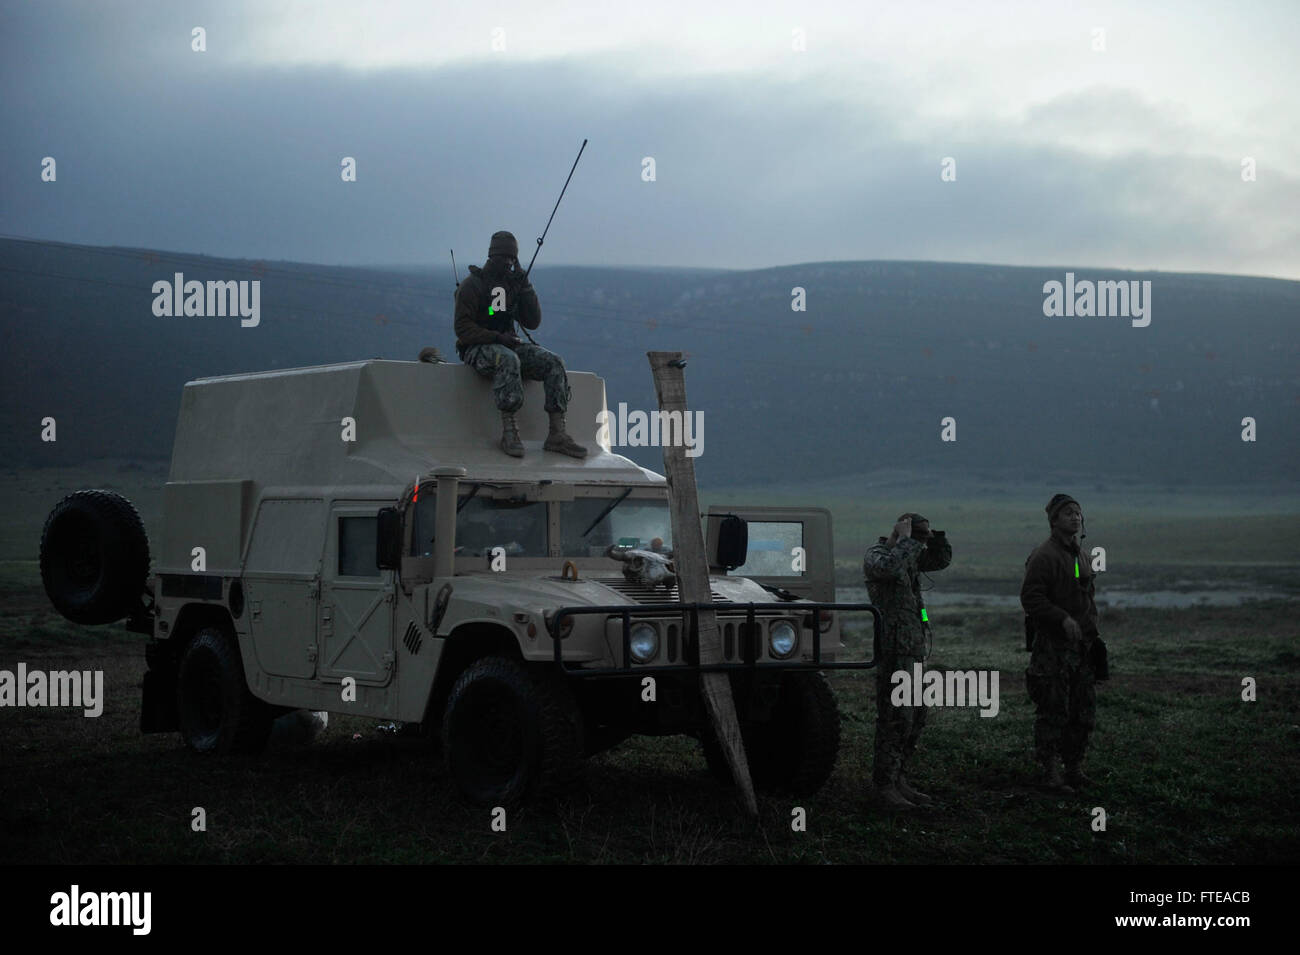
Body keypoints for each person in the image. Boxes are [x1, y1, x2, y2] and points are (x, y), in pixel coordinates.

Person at [454, 230, 587, 459]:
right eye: (502, 258)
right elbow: (463, 327)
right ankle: (509, 431)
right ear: (491, 257)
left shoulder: (510, 286)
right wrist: (497, 338)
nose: (506, 263)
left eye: (511, 259)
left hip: (506, 343)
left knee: (553, 362)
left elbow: (533, 322)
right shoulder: (473, 285)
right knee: (507, 359)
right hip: (478, 348)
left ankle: (557, 433)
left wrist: (525, 288)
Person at [863, 512, 952, 808]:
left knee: (915, 716)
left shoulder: (909, 557)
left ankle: (899, 778)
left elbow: (940, 561)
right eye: (916, 537)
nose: (918, 545)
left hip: (912, 648)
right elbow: (889, 568)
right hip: (893, 650)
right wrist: (903, 539)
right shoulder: (879, 556)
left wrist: (934, 536)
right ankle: (883, 784)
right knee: (895, 717)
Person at [1020, 493, 1099, 792]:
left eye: (1078, 513)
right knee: (1053, 710)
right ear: (1054, 521)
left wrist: (1092, 632)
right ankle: (1049, 771)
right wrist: (1062, 618)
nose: (1075, 518)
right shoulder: (1044, 556)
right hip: (1053, 647)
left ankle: (1073, 767)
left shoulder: (1081, 555)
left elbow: (1086, 597)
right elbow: (1031, 598)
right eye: (1068, 513)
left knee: (1082, 710)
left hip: (1081, 646)